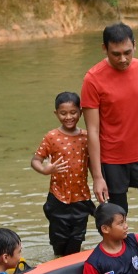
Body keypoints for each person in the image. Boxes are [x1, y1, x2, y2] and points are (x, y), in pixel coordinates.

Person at [81, 22, 138, 240]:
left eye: (127, 53)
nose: (123, 59)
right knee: (117, 215)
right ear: (104, 49)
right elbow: (92, 130)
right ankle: (121, 254)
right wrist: (98, 176)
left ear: (135, 46)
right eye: (116, 54)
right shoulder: (93, 79)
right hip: (112, 160)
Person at [32, 91, 96, 256]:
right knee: (59, 240)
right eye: (63, 113)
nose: (69, 117)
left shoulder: (86, 137)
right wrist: (46, 170)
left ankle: (72, 266)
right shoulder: (52, 137)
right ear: (56, 114)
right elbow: (36, 160)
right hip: (58, 198)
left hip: (81, 198)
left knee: (77, 238)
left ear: (81, 113)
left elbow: (94, 163)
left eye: (73, 112)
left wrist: (99, 180)